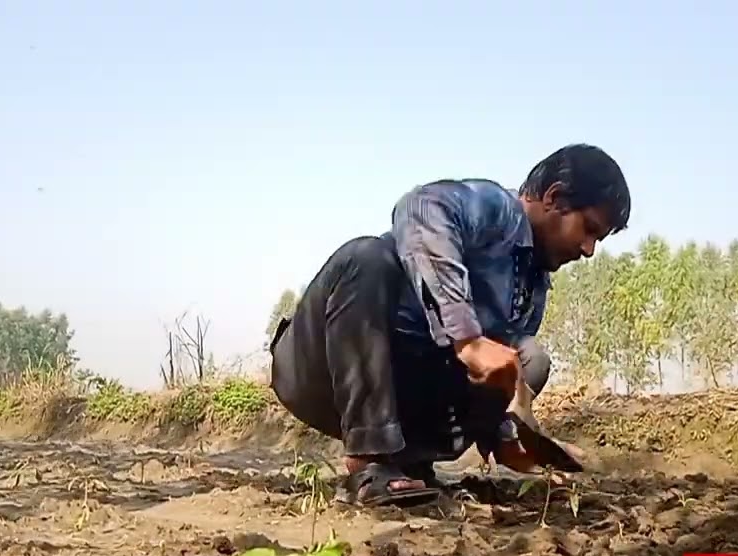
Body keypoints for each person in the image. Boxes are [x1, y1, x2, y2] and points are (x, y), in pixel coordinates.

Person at [269, 144, 631, 506]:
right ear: (554, 198)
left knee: (529, 359)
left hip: (402, 388)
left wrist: (506, 435)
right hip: (318, 371)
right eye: (589, 230)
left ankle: (409, 463)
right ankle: (370, 461)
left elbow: (488, 372)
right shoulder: (496, 210)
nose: (588, 250)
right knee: (366, 257)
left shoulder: (532, 287)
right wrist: (468, 340)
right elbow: (419, 206)